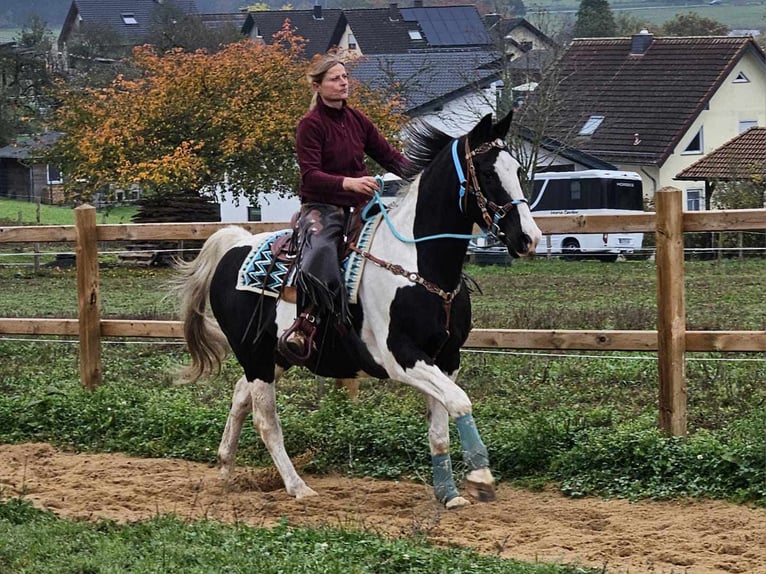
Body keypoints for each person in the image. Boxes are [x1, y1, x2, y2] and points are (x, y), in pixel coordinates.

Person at [278, 54, 409, 362]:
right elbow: (310, 174)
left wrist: (424, 174)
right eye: (335, 78)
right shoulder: (309, 125)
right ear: (317, 86)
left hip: (362, 206)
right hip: (322, 207)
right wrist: (348, 184)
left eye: (345, 77)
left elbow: (390, 158)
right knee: (322, 250)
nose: (343, 82)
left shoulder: (358, 120)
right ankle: (305, 323)